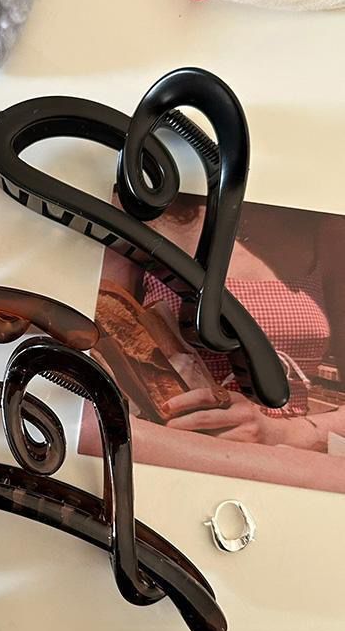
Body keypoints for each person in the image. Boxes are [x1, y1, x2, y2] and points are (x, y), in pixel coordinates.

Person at [94, 197, 345, 492]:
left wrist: (284, 432)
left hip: (291, 467)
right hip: (182, 458)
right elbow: (102, 356)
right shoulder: (145, 203)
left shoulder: (327, 225)